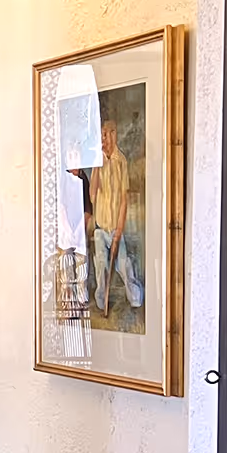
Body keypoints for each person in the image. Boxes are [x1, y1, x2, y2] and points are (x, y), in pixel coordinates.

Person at [86, 121, 142, 316]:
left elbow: (124, 199)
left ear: (114, 134)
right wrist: (96, 167)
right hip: (101, 227)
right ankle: (102, 302)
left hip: (116, 228)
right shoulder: (98, 162)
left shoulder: (121, 161)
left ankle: (135, 298)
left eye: (108, 134)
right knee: (101, 267)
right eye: (102, 134)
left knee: (124, 265)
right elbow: (92, 195)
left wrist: (119, 230)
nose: (105, 138)